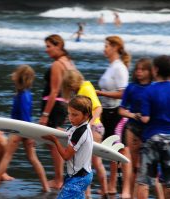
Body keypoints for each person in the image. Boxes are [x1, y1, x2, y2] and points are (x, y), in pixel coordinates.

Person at [0, 65, 50, 192]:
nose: (13, 74)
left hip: (20, 130)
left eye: (15, 72)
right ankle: (46, 187)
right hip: (22, 129)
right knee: (32, 159)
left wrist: (29, 134)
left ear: (19, 76)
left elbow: (24, 117)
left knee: (7, 157)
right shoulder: (23, 93)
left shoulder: (23, 95)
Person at [136, 55, 170, 199]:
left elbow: (146, 118)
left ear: (156, 70)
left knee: (144, 180)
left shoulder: (149, 91)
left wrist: (138, 116)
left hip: (152, 137)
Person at [62, 70, 108, 197]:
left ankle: (100, 193)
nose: (70, 90)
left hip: (95, 129)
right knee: (89, 164)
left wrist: (87, 125)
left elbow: (98, 108)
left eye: (69, 86)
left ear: (72, 83)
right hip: (96, 128)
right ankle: (95, 193)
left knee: (89, 164)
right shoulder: (85, 86)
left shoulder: (85, 88)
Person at [39, 34, 76, 189]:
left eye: (49, 46)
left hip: (54, 107)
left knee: (53, 143)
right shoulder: (68, 62)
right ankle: (61, 177)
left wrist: (45, 115)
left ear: (58, 45)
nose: (46, 50)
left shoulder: (56, 65)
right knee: (55, 142)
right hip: (64, 106)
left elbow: (54, 91)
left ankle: (59, 179)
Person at [96, 35, 131, 198]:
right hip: (106, 112)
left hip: (117, 113)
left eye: (107, 46)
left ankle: (124, 188)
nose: (104, 48)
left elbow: (124, 93)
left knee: (120, 150)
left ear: (116, 47)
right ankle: (111, 185)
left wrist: (101, 93)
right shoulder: (111, 66)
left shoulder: (119, 68)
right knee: (110, 149)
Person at [42, 95, 94, 198]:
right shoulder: (76, 126)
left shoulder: (80, 132)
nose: (71, 118)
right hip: (80, 175)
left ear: (86, 115)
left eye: (75, 115)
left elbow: (66, 156)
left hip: (79, 177)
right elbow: (67, 133)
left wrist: (55, 141)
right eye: (69, 114)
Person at [118, 58, 153, 197]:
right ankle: (131, 194)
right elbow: (121, 110)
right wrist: (133, 115)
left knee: (143, 166)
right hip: (132, 127)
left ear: (150, 71)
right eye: (137, 69)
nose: (139, 72)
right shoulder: (131, 87)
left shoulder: (154, 87)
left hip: (149, 129)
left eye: (143, 70)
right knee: (133, 166)